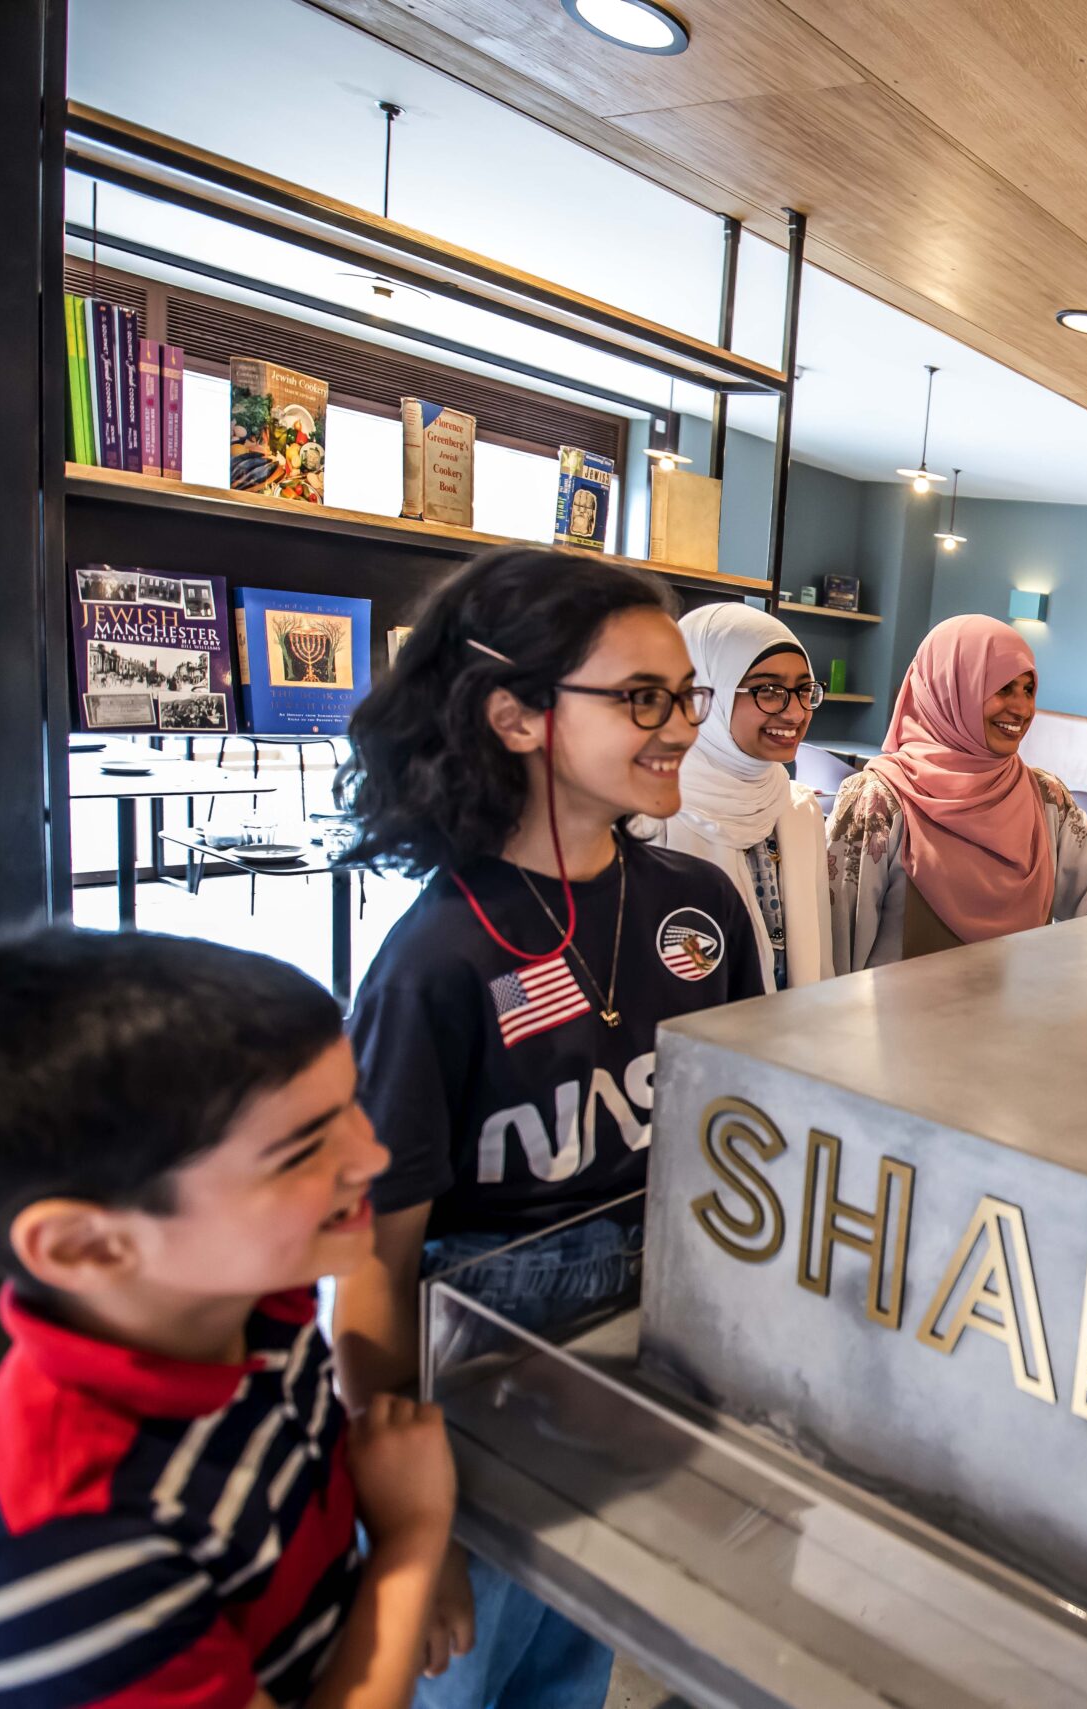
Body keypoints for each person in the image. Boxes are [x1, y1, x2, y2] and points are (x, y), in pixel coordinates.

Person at [331, 548, 764, 1709]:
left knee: (569, 1671)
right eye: (641, 697)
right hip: (470, 1394)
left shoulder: (699, 905)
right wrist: (410, 1533)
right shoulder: (436, 960)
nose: (680, 725)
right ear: (517, 716)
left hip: (637, 1363)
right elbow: (373, 1269)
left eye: (685, 694)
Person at [0, 928, 456, 1709]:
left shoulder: (260, 1300)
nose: (370, 1155)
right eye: (302, 1150)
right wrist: (409, 1545)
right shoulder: (62, 1558)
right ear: (87, 1244)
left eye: (352, 1104)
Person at [826, 614, 1087, 971]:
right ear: (951, 688)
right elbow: (835, 940)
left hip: (1016, 1033)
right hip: (890, 1043)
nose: (1021, 708)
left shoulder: (1044, 797)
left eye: (1028, 689)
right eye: (1003, 688)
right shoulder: (878, 802)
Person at [645, 601, 833, 990]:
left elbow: (819, 959)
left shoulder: (798, 807)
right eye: (769, 690)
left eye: (803, 690)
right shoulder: (652, 814)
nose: (795, 713)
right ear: (701, 693)